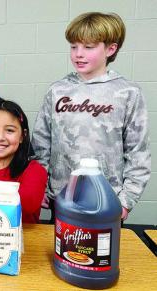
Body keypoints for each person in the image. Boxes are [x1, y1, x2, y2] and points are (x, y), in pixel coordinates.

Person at [31, 12, 150, 221]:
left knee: (101, 254)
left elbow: (137, 152)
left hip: (106, 201)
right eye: (74, 46)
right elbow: (41, 145)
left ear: (110, 49)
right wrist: (39, 185)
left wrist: (126, 201)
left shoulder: (127, 92)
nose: (78, 54)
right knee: (61, 254)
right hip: (61, 198)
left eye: (88, 47)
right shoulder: (58, 91)